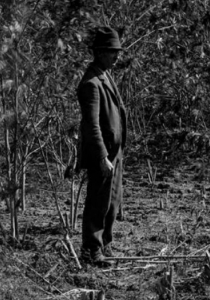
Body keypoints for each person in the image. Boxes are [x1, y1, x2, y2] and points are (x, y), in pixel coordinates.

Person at [77, 26, 127, 267]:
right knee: (98, 203)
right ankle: (91, 251)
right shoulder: (90, 83)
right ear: (98, 52)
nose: (116, 56)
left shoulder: (105, 75)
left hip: (115, 153)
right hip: (103, 155)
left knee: (112, 202)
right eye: (111, 52)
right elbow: (91, 126)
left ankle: (104, 244)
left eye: (117, 51)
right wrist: (102, 157)